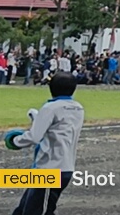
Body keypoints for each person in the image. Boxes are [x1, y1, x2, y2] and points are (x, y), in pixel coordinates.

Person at [7, 72, 85, 215]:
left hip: (50, 168)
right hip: (65, 167)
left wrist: (15, 141)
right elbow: (58, 128)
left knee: (38, 211)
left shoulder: (50, 108)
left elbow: (34, 136)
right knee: (24, 208)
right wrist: (38, 117)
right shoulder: (78, 108)